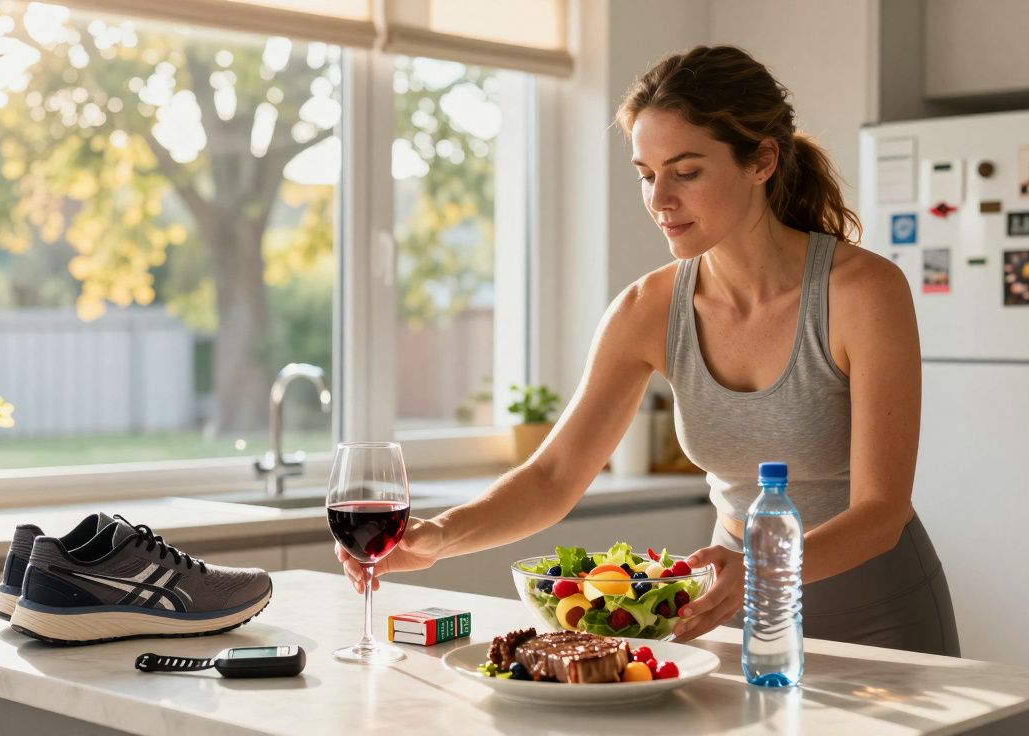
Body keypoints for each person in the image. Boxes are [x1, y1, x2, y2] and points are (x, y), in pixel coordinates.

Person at [336, 45, 960, 656]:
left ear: (762, 159)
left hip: (878, 619)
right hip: (726, 613)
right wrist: (439, 536)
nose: (660, 201)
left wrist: (761, 571)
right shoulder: (648, 309)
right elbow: (554, 478)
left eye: (686, 172)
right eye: (646, 175)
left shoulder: (863, 292)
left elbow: (882, 511)